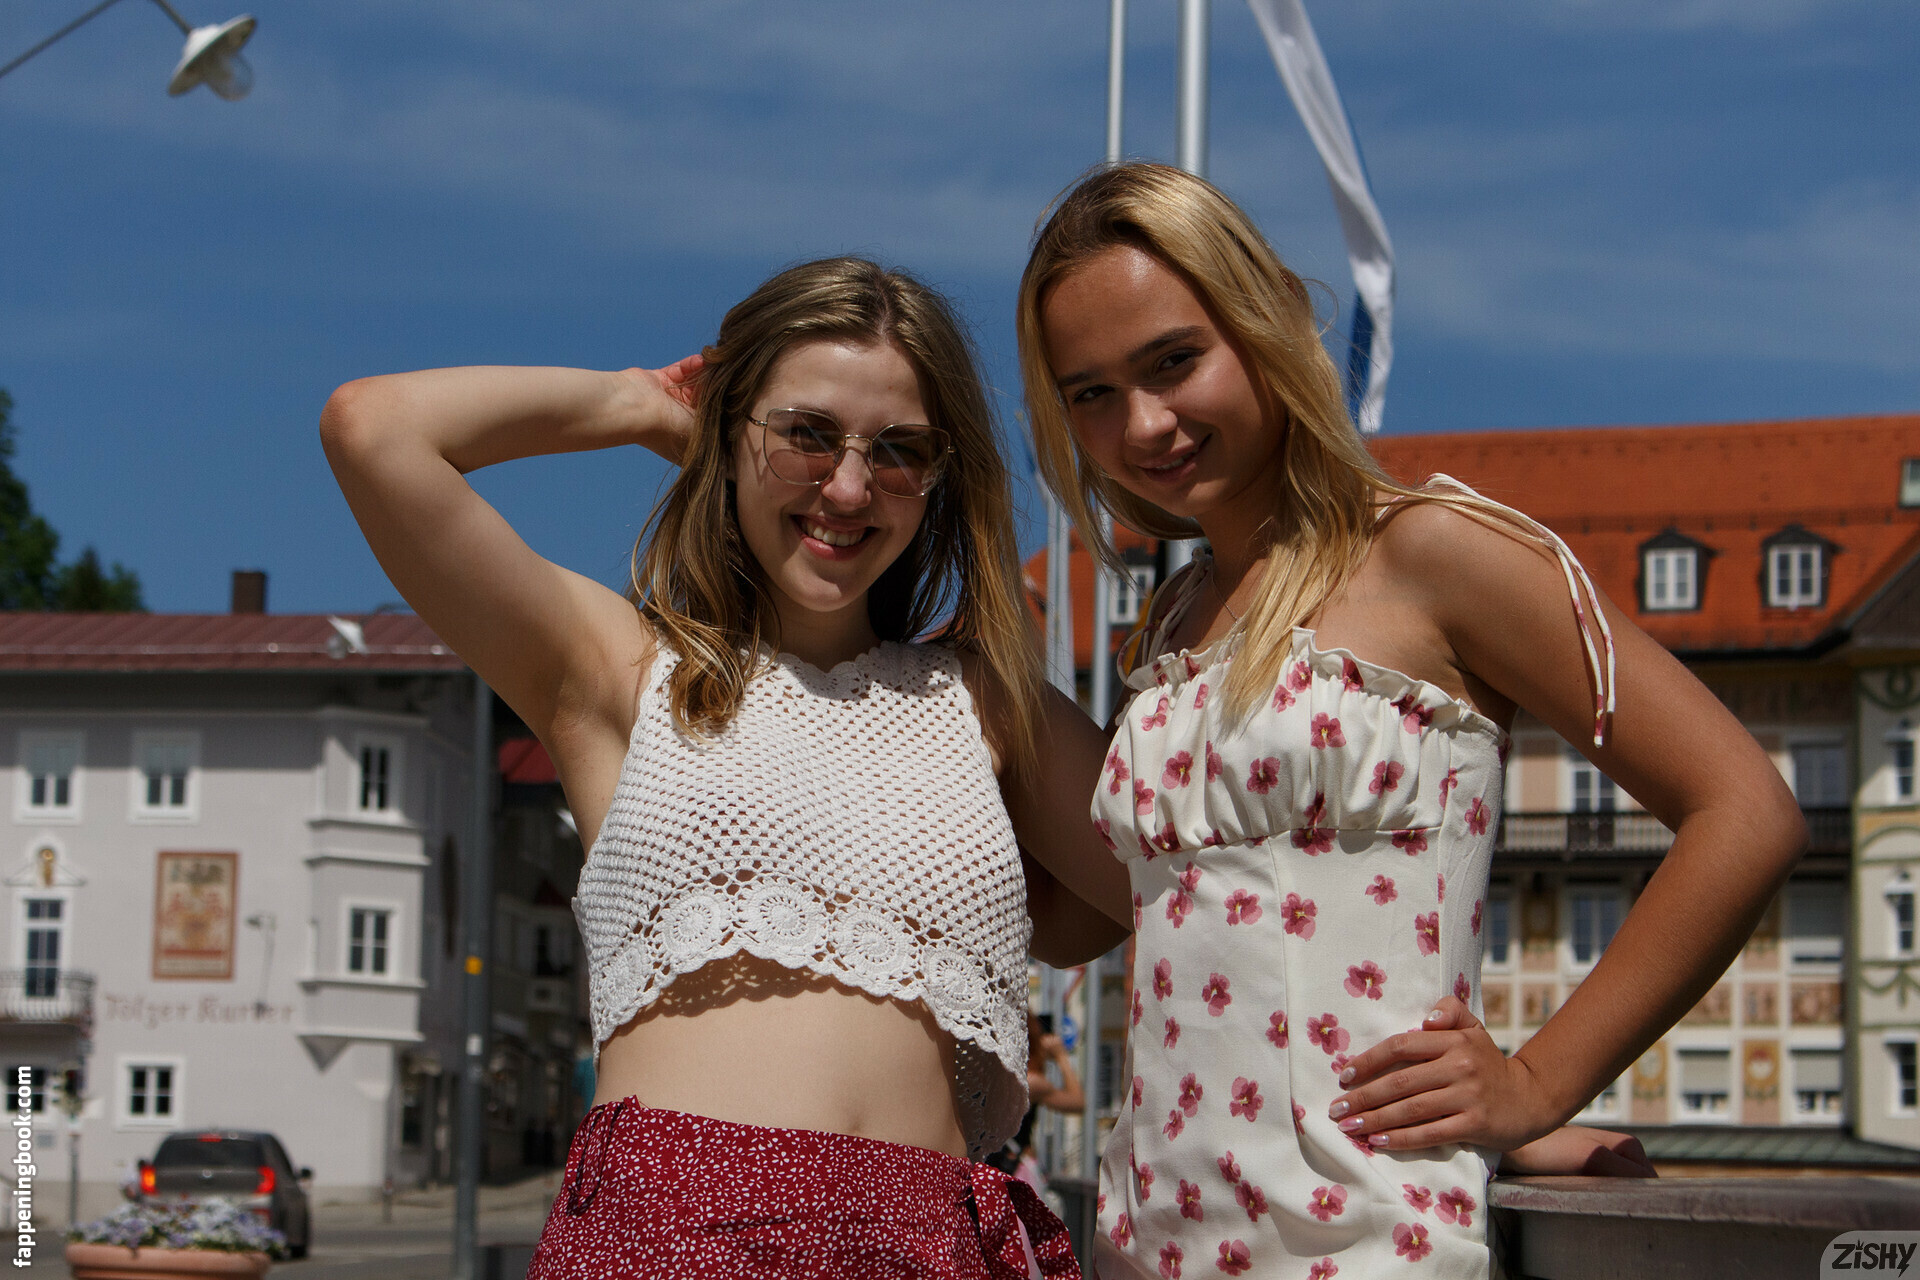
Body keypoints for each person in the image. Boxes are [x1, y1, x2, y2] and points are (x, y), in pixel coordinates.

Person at [1010, 162, 1803, 1278]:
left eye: (1173, 361)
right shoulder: (1170, 624)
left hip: (1368, 1235)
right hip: (1149, 1234)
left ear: (1265, 320)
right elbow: (1102, 920)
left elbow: (1747, 811)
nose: (1142, 422)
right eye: (1089, 392)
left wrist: (1537, 1084)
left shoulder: (1433, 551)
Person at [319, 257, 1123, 1279]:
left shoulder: (988, 704)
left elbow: (1170, 878)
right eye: (805, 434)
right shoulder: (622, 668)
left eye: (898, 450)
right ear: (731, 431)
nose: (847, 487)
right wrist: (635, 405)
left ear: (939, 477)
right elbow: (373, 429)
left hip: (933, 1243)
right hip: (674, 1237)